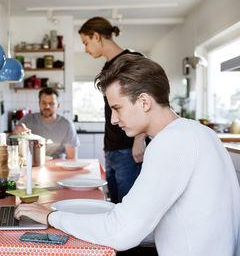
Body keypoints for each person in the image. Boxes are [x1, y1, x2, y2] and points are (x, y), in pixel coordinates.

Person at [15, 54, 240, 255]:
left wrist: (50, 216)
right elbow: (150, 221)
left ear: (144, 102)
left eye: (117, 108)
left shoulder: (172, 142)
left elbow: (122, 233)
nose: (113, 119)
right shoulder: (198, 132)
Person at [78, 17, 147, 204]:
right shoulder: (108, 66)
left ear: (96, 36)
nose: (85, 49)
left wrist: (140, 138)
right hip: (113, 149)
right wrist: (107, 146)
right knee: (114, 206)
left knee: (129, 207)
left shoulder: (131, 59)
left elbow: (145, 99)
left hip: (128, 148)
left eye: (86, 42)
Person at [12, 87, 79, 159]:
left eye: (51, 103)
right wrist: (14, 133)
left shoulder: (67, 125)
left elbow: (71, 158)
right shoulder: (27, 120)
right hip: (31, 165)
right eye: (44, 103)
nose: (47, 106)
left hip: (56, 167)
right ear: (39, 104)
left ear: (58, 105)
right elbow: (11, 143)